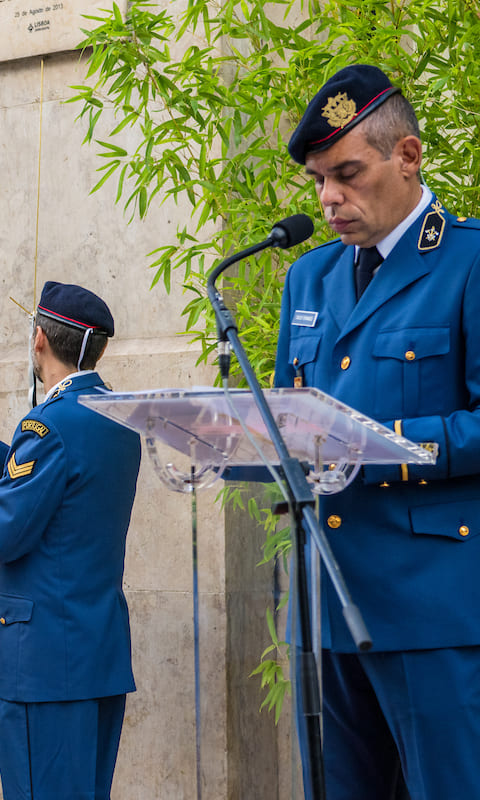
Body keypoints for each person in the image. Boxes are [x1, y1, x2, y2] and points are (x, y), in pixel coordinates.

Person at [275, 64, 480, 799]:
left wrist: (378, 443)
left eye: (348, 174)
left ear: (409, 156)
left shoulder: (469, 262)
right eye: (318, 181)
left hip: (432, 605)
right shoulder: (309, 279)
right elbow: (291, 422)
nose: (330, 199)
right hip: (324, 600)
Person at [0, 282, 142, 800]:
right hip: (97, 653)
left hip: (44, 663)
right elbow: (54, 485)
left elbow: (1, 534)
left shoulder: (48, 425)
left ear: (39, 339)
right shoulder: (118, 419)